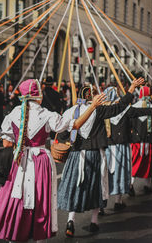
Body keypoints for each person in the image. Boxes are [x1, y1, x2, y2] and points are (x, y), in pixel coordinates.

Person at [0, 78, 105, 243]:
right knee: (40, 201)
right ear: (38, 96)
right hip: (40, 161)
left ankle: (16, 234)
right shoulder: (47, 115)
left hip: (19, 161)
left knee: (17, 198)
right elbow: (75, 125)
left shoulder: (13, 113)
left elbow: (6, 142)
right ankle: (38, 236)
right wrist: (92, 106)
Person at [57, 78, 144, 237]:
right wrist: (131, 88)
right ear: (91, 97)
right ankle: (94, 221)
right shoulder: (98, 110)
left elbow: (62, 135)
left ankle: (71, 220)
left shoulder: (70, 111)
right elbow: (120, 106)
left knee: (76, 186)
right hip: (95, 155)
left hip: (76, 156)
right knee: (96, 187)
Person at [103, 85, 152, 211]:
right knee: (120, 173)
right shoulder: (125, 110)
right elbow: (141, 113)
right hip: (122, 147)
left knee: (104, 176)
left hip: (107, 149)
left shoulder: (102, 110)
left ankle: (101, 205)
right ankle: (118, 201)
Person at [130, 85, 152, 194]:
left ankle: (130, 184)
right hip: (149, 140)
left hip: (136, 141)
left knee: (134, 162)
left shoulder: (134, 107)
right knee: (149, 163)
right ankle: (147, 184)